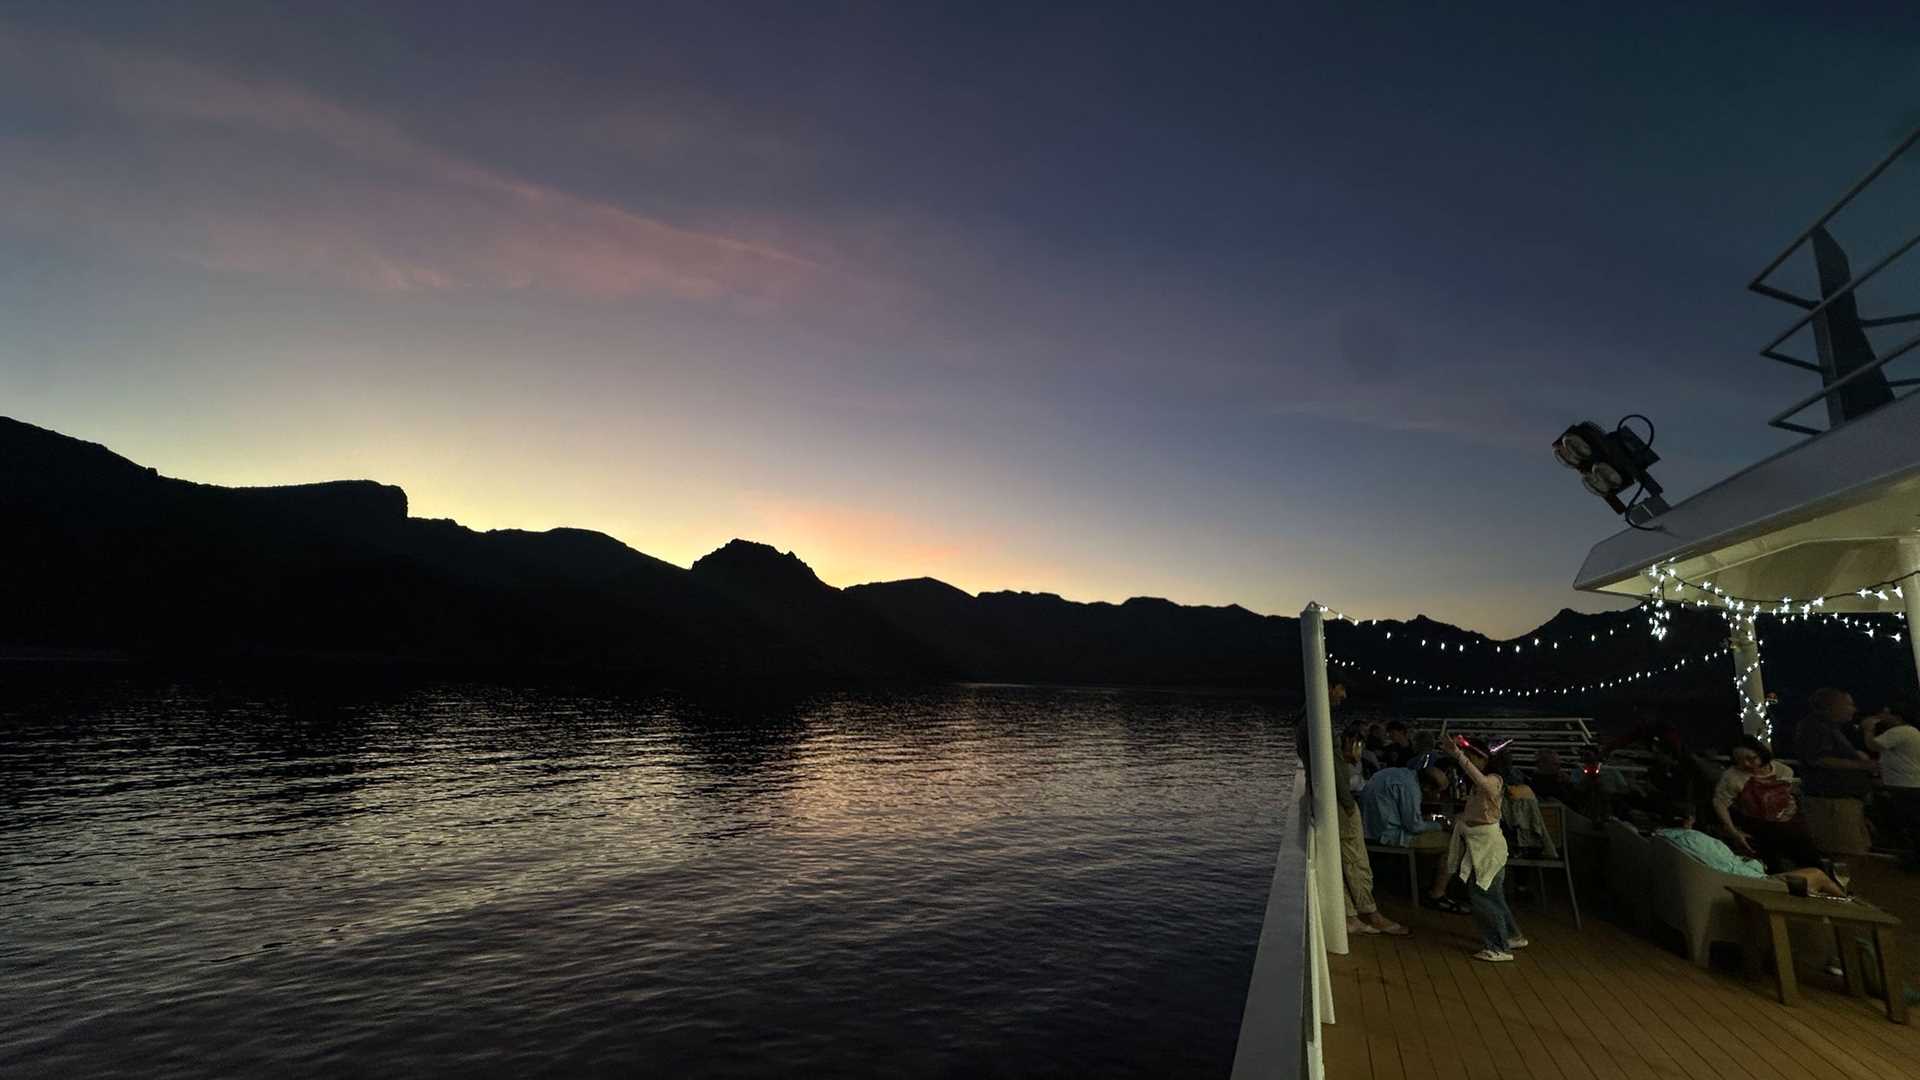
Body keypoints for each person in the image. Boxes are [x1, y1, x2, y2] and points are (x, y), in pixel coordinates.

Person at [1439, 735, 1525, 961]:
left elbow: (1482, 783)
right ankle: (1512, 936)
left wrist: (1458, 755)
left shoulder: (1493, 780)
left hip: (1488, 847)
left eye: (1471, 758)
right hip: (1481, 844)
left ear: (1483, 759)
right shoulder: (1481, 785)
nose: (1468, 761)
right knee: (1492, 895)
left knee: (1482, 895)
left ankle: (1498, 947)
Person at [1653, 809, 1848, 896]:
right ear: (1689, 819)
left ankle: (1845, 898)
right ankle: (1849, 904)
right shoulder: (1696, 839)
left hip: (1724, 881)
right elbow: (1728, 865)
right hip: (1746, 883)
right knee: (1818, 875)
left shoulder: (1662, 837)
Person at [1333, 722, 1408, 936]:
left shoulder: (1350, 761)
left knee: (1347, 863)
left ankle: (1352, 915)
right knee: (1357, 862)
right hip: (1346, 809)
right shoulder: (1343, 763)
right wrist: (1348, 805)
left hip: (1345, 807)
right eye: (1358, 742)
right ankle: (1370, 913)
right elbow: (1345, 785)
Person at [1710, 735, 1823, 872]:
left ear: (1760, 754)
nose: (1746, 764)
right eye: (1740, 761)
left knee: (1810, 860)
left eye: (1751, 759)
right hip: (1759, 828)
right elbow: (1720, 803)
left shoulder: (1783, 770)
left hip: (1789, 825)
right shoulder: (1732, 777)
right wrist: (1734, 832)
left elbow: (1790, 795)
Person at [1795, 688, 1879, 854]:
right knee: (1845, 853)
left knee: (1855, 851)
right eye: (1849, 704)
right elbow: (1817, 759)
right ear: (1831, 705)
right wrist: (1863, 765)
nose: (1854, 709)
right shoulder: (1815, 727)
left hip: (1842, 802)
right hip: (1832, 804)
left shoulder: (1829, 728)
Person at [1863, 701, 1920, 870]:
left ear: (1896, 716)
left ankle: (1911, 861)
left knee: (1906, 824)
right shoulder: (1912, 731)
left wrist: (1868, 729)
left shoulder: (1900, 731)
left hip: (1903, 784)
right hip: (1910, 783)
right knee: (1912, 824)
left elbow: (1873, 745)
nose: (1881, 717)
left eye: (1886, 713)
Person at [1360, 763, 1451, 851]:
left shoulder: (1405, 775)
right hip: (1386, 836)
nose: (1438, 796)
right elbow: (1415, 827)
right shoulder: (1412, 789)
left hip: (1368, 830)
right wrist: (1439, 825)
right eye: (1438, 792)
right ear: (1427, 787)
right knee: (1448, 841)